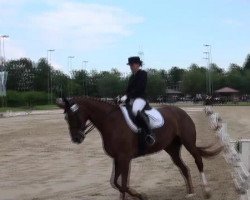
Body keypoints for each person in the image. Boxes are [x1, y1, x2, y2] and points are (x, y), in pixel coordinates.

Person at [120, 56, 155, 146]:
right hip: (131, 99)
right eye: (130, 65)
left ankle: (149, 133)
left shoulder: (143, 74)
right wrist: (122, 97)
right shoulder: (132, 77)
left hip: (140, 98)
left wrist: (128, 96)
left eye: (132, 65)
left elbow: (140, 88)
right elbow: (128, 89)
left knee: (135, 110)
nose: (131, 67)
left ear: (138, 64)